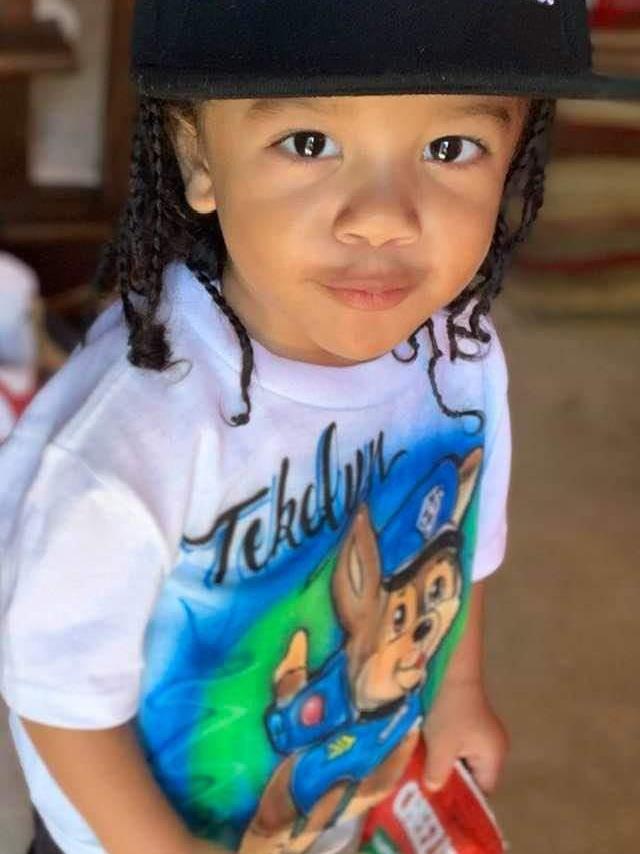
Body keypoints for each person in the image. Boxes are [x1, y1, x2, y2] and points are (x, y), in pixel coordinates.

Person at [1, 3, 638, 854]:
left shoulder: (461, 354)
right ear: (199, 158)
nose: (383, 217)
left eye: (451, 148)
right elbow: (58, 696)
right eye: (308, 143)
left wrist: (456, 693)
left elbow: (462, 543)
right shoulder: (131, 436)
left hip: (330, 816)